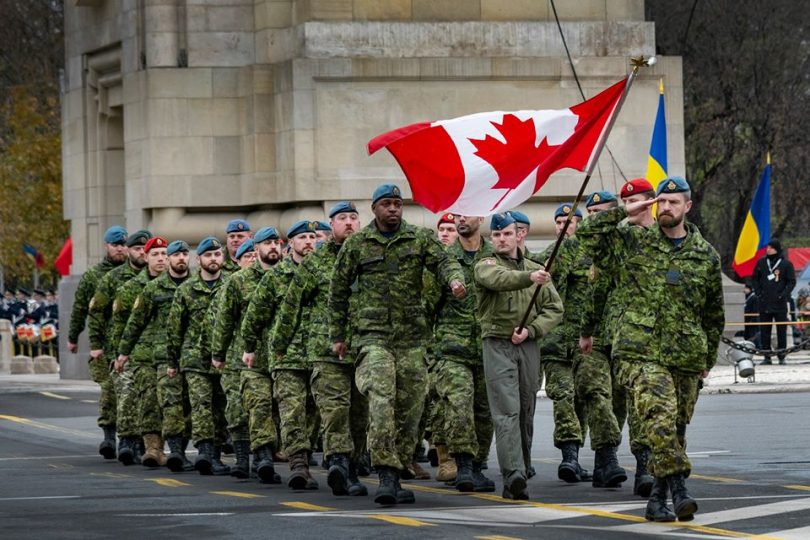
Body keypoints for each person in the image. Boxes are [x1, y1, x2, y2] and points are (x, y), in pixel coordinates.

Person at [577, 176, 725, 522]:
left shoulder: (705, 255)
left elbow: (713, 313)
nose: (666, 207)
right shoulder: (634, 241)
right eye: (662, 201)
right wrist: (626, 210)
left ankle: (657, 499)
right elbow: (586, 236)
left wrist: (707, 358)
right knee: (658, 421)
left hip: (686, 354)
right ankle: (680, 490)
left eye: (675, 202)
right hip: (639, 352)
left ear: (688, 207)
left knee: (674, 430)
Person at [329, 183, 466, 506]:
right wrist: (338, 336)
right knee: (380, 399)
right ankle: (386, 475)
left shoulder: (418, 239)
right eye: (387, 204)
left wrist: (455, 279)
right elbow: (338, 289)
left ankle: (401, 460)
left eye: (398, 204)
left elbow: (445, 262)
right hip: (373, 337)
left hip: (412, 340)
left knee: (412, 409)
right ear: (374, 209)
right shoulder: (358, 244)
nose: (393, 209)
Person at [272, 202, 369, 497]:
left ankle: (351, 466)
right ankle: (339, 464)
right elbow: (291, 305)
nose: (349, 223)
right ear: (332, 225)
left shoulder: (369, 258)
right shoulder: (316, 262)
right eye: (342, 218)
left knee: (359, 414)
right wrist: (279, 345)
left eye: (354, 217)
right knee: (335, 410)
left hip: (365, 349)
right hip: (326, 351)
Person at [474, 212, 563, 500]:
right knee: (507, 410)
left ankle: (522, 470)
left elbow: (555, 308)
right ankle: (511, 473)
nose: (501, 239)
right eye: (497, 235)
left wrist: (533, 330)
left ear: (518, 235)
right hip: (498, 344)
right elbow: (499, 280)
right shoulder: (485, 265)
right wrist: (529, 278)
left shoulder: (538, 270)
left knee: (526, 409)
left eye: (507, 234)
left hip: (528, 346)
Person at [242, 221, 320, 490]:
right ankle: (298, 465)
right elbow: (254, 316)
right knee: (291, 411)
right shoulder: (276, 277)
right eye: (302, 237)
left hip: (319, 355)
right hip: (285, 356)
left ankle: (305, 457)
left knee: (313, 412)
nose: (309, 241)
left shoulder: (324, 272)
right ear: (292, 244)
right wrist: (249, 348)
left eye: (312, 237)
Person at [429, 213, 496, 492]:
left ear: (480, 217)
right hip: (452, 349)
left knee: (484, 411)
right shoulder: (443, 259)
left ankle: (478, 465)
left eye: (465, 214)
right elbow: (427, 303)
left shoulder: (496, 254)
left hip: (489, 346)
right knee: (459, 404)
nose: (460, 220)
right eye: (455, 215)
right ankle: (463, 464)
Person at [211, 227, 283, 481]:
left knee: (279, 409)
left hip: (283, 356)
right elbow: (224, 321)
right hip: (247, 358)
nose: (273, 246)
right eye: (267, 243)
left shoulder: (290, 277)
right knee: (250, 407)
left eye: (277, 242)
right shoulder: (238, 281)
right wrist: (218, 353)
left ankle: (279, 457)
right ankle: (254, 458)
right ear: (257, 248)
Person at [119, 240, 194, 472]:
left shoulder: (195, 285)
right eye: (160, 254)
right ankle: (156, 449)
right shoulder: (152, 289)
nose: (165, 258)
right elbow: (134, 323)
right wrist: (122, 352)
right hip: (158, 354)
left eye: (182, 254)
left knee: (189, 404)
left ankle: (179, 447)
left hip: (192, 354)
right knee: (156, 402)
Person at [537, 203, 594, 483]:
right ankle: (569, 455)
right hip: (555, 343)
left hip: (586, 344)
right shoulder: (548, 257)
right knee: (563, 396)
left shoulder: (592, 255)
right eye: (559, 222)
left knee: (583, 399)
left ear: (579, 225)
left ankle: (577, 456)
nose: (563, 227)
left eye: (569, 222)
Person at [166, 236, 230, 476]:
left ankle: (216, 454)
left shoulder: (231, 284)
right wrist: (173, 362)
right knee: (201, 406)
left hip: (224, 358)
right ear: (199, 259)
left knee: (221, 407)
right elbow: (175, 329)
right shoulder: (186, 290)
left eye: (217, 255)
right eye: (208, 255)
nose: (214, 259)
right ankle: (204, 452)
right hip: (194, 359)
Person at [88, 229, 152, 464]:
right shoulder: (114, 279)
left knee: (146, 398)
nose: (141, 254)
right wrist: (96, 345)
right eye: (136, 249)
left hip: (151, 349)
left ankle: (144, 444)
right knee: (114, 394)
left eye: (145, 250)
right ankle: (115, 438)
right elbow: (96, 313)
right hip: (116, 345)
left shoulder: (157, 278)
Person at [67, 225, 128, 459]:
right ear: (107, 246)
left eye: (123, 245)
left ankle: (129, 439)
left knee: (131, 392)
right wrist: (73, 337)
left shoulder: (134, 273)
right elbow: (81, 308)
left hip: (129, 343)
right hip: (104, 343)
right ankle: (109, 436)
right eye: (116, 245)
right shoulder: (94, 275)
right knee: (109, 391)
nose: (120, 249)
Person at [111, 237, 169, 468]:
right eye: (155, 254)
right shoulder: (131, 288)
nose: (161, 259)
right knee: (145, 401)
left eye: (164, 253)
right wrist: (120, 354)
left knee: (171, 403)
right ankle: (143, 446)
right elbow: (122, 325)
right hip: (140, 354)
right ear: (146, 258)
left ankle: (171, 449)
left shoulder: (177, 284)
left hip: (168, 354)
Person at [753, 239, 796, 365]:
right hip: (764, 302)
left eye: (770, 248)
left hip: (780, 303)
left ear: (776, 249)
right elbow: (755, 278)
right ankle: (767, 356)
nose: (768, 250)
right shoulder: (761, 262)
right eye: (768, 247)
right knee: (765, 330)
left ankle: (781, 355)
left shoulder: (786, 264)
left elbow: (791, 281)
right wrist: (758, 293)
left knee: (781, 330)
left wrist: (783, 294)